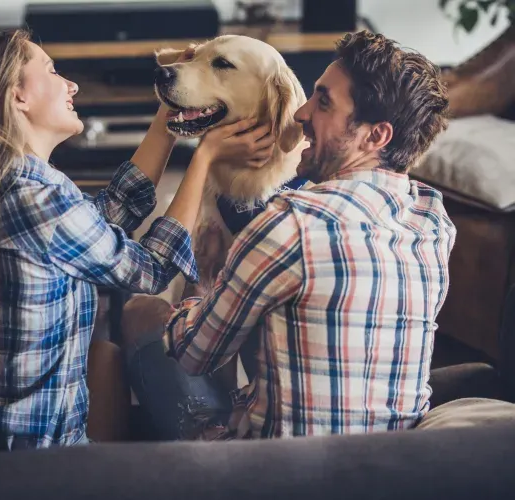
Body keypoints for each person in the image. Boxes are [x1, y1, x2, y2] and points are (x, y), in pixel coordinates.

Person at [0, 30, 275, 450]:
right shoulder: (35, 201)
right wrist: (203, 158)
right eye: (52, 71)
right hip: (22, 454)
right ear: (16, 97)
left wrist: (170, 119)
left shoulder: (7, 183)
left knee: (105, 356)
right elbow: (149, 270)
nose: (71, 84)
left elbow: (106, 215)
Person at [122, 30, 456, 440]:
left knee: (136, 306)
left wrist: (201, 287)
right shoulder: (433, 220)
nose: (300, 114)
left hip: (280, 468)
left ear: (376, 135)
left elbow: (194, 353)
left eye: (324, 103)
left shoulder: (289, 224)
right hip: (390, 461)